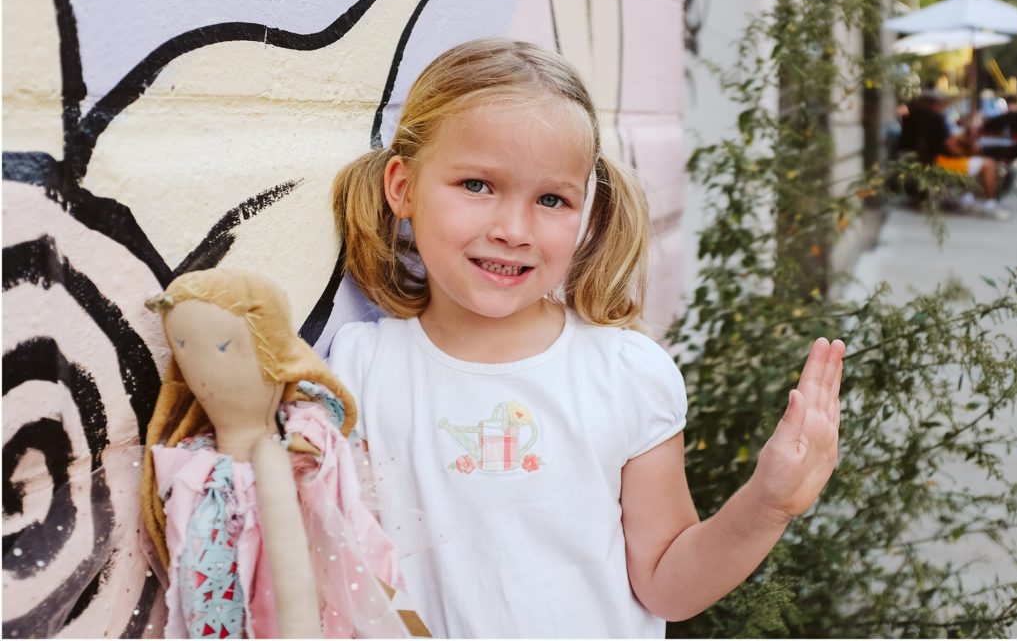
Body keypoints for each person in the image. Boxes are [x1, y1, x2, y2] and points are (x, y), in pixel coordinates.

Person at [328, 38, 845, 638]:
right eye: (477, 185)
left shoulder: (624, 373)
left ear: (584, 211)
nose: (513, 229)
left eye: (551, 199)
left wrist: (768, 504)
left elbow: (666, 585)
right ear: (402, 187)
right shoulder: (362, 369)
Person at [141, 268, 425, 639]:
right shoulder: (196, 468)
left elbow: (305, 571)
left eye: (223, 349)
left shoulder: (293, 445)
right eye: (183, 348)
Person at [900, 89, 1007, 218]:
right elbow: (949, 146)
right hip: (940, 162)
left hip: (923, 161)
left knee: (969, 159)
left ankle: (966, 198)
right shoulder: (935, 118)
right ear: (937, 104)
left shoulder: (911, 117)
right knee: (988, 164)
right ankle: (990, 205)